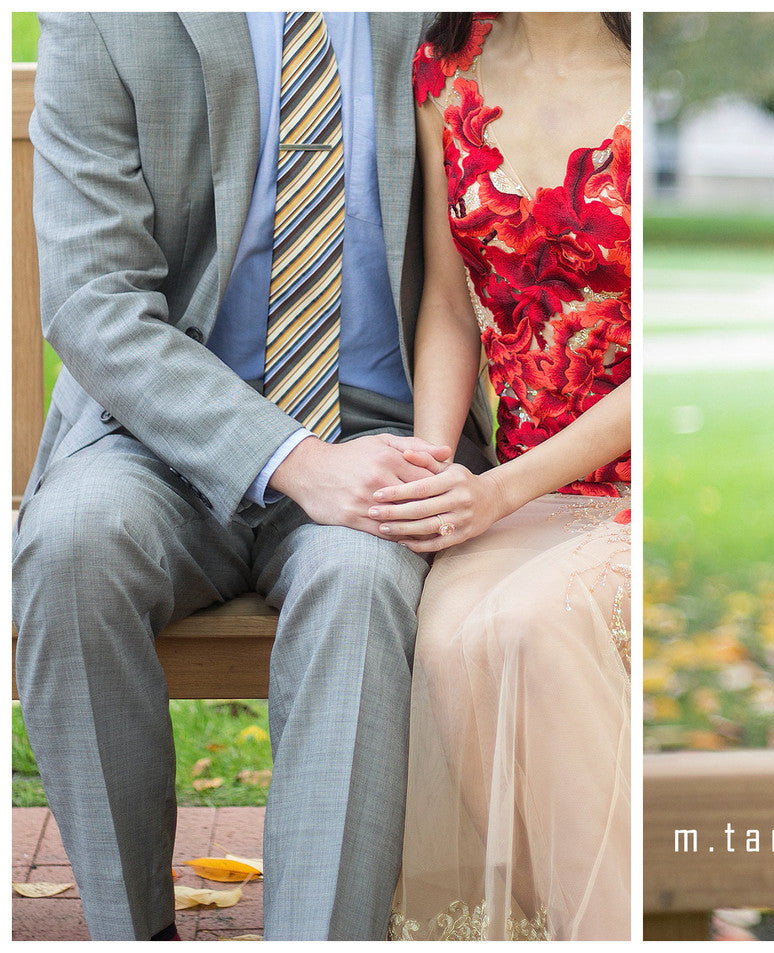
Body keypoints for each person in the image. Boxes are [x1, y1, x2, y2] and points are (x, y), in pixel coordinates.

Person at [13, 13, 492, 940]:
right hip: (157, 435)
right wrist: (295, 462)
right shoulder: (106, 18)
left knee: (359, 586)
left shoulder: (450, 20)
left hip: (382, 431)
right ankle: (130, 930)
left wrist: (418, 461)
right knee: (72, 548)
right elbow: (91, 297)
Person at [383, 12, 633, 941]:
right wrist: (433, 461)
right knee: (449, 644)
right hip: (520, 487)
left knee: (532, 626)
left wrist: (499, 489)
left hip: (645, 485)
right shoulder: (448, 64)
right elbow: (450, 304)